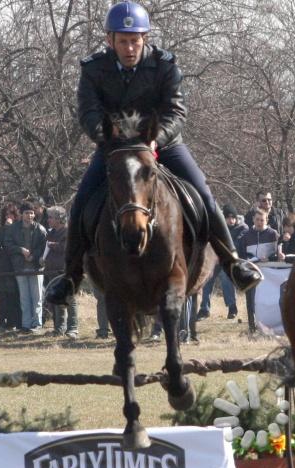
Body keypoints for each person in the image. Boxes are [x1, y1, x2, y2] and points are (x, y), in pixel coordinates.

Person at [44, 1, 262, 306]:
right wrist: (107, 138)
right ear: (110, 41)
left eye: (135, 40)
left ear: (144, 39)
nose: (130, 48)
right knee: (82, 200)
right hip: (115, 149)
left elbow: (176, 111)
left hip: (163, 145)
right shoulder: (94, 69)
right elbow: (88, 113)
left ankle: (233, 263)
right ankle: (69, 277)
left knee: (202, 192)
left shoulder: (164, 65)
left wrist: (155, 140)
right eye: (123, 41)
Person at [197, 204, 247, 320]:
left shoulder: (242, 228)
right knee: (207, 278)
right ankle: (204, 309)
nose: (231, 220)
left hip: (232, 261)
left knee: (226, 277)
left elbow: (237, 245)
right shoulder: (219, 228)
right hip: (217, 259)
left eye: (233, 217)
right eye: (228, 217)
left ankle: (232, 308)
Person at [6, 203, 48, 333]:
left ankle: (37, 324)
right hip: (20, 267)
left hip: (36, 268)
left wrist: (34, 256)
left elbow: (44, 247)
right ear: (21, 214)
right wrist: (20, 250)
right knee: (24, 298)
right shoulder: (13, 229)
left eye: (31, 213)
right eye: (26, 213)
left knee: (37, 298)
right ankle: (26, 324)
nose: (29, 215)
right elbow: (7, 244)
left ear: (34, 214)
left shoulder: (40, 229)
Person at [238, 209, 280, 333]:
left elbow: (279, 252)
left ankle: (268, 326)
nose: (259, 222)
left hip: (268, 273)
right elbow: (240, 254)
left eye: (262, 220)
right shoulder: (246, 235)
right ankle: (252, 327)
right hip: (251, 271)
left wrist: (269, 258)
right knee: (251, 299)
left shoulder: (273, 234)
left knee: (267, 301)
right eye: (257, 219)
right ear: (253, 220)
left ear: (266, 220)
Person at [42, 206, 78, 339]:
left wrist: (52, 245)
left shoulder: (68, 232)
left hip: (65, 271)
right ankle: (59, 328)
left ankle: (73, 329)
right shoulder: (51, 233)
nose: (48, 220)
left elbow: (65, 248)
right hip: (52, 271)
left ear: (59, 219)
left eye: (51, 217)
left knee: (69, 299)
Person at [0, 203, 22, 331]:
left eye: (10, 214)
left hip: (18, 264)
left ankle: (19, 321)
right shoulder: (1, 229)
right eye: (6, 215)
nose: (8, 217)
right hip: (5, 265)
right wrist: (5, 229)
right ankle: (7, 321)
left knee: (17, 294)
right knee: (6, 294)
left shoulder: (20, 227)